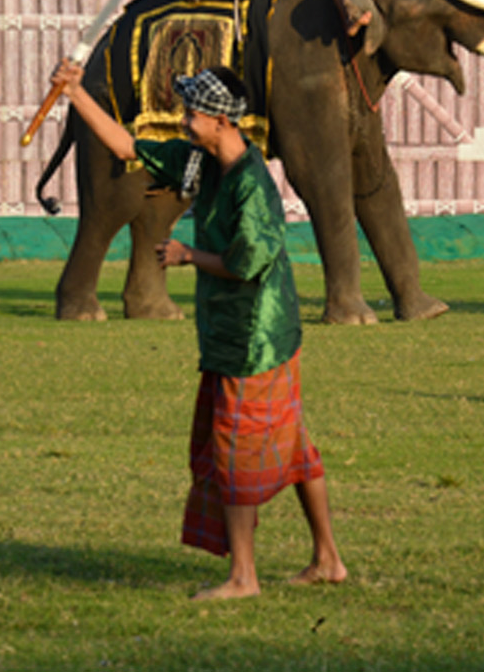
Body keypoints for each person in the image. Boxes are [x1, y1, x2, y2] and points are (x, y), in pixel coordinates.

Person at [50, 59, 347, 601]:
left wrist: (188, 255)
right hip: (242, 334)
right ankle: (328, 560)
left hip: (255, 340)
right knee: (293, 446)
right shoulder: (201, 162)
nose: (184, 120)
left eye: (192, 113)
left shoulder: (252, 185)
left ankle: (244, 577)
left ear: (221, 121)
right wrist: (75, 93)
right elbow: (127, 147)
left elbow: (248, 263)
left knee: (234, 452)